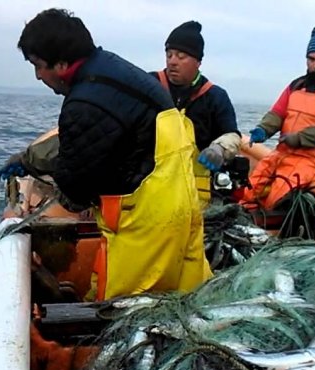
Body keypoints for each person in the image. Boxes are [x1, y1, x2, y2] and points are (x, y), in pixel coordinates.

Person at [12, 8, 211, 301]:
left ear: (63, 63)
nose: (38, 75)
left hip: (146, 222)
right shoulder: (114, 69)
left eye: (39, 65)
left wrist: (42, 178)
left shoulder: (85, 102)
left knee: (117, 310)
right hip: (183, 206)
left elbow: (76, 185)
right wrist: (32, 158)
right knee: (189, 299)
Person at [238, 24, 315, 211]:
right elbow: (278, 113)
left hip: (312, 158)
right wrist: (263, 129)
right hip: (283, 151)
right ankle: (244, 219)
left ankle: (272, 229)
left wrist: (299, 138)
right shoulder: (297, 84)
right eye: (311, 59)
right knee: (251, 185)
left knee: (278, 195)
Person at [151, 21, 241, 206]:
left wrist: (219, 149)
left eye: (181, 56)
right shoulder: (149, 85)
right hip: (152, 188)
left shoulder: (215, 96)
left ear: (198, 62)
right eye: (169, 55)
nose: (172, 61)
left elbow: (232, 134)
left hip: (198, 194)